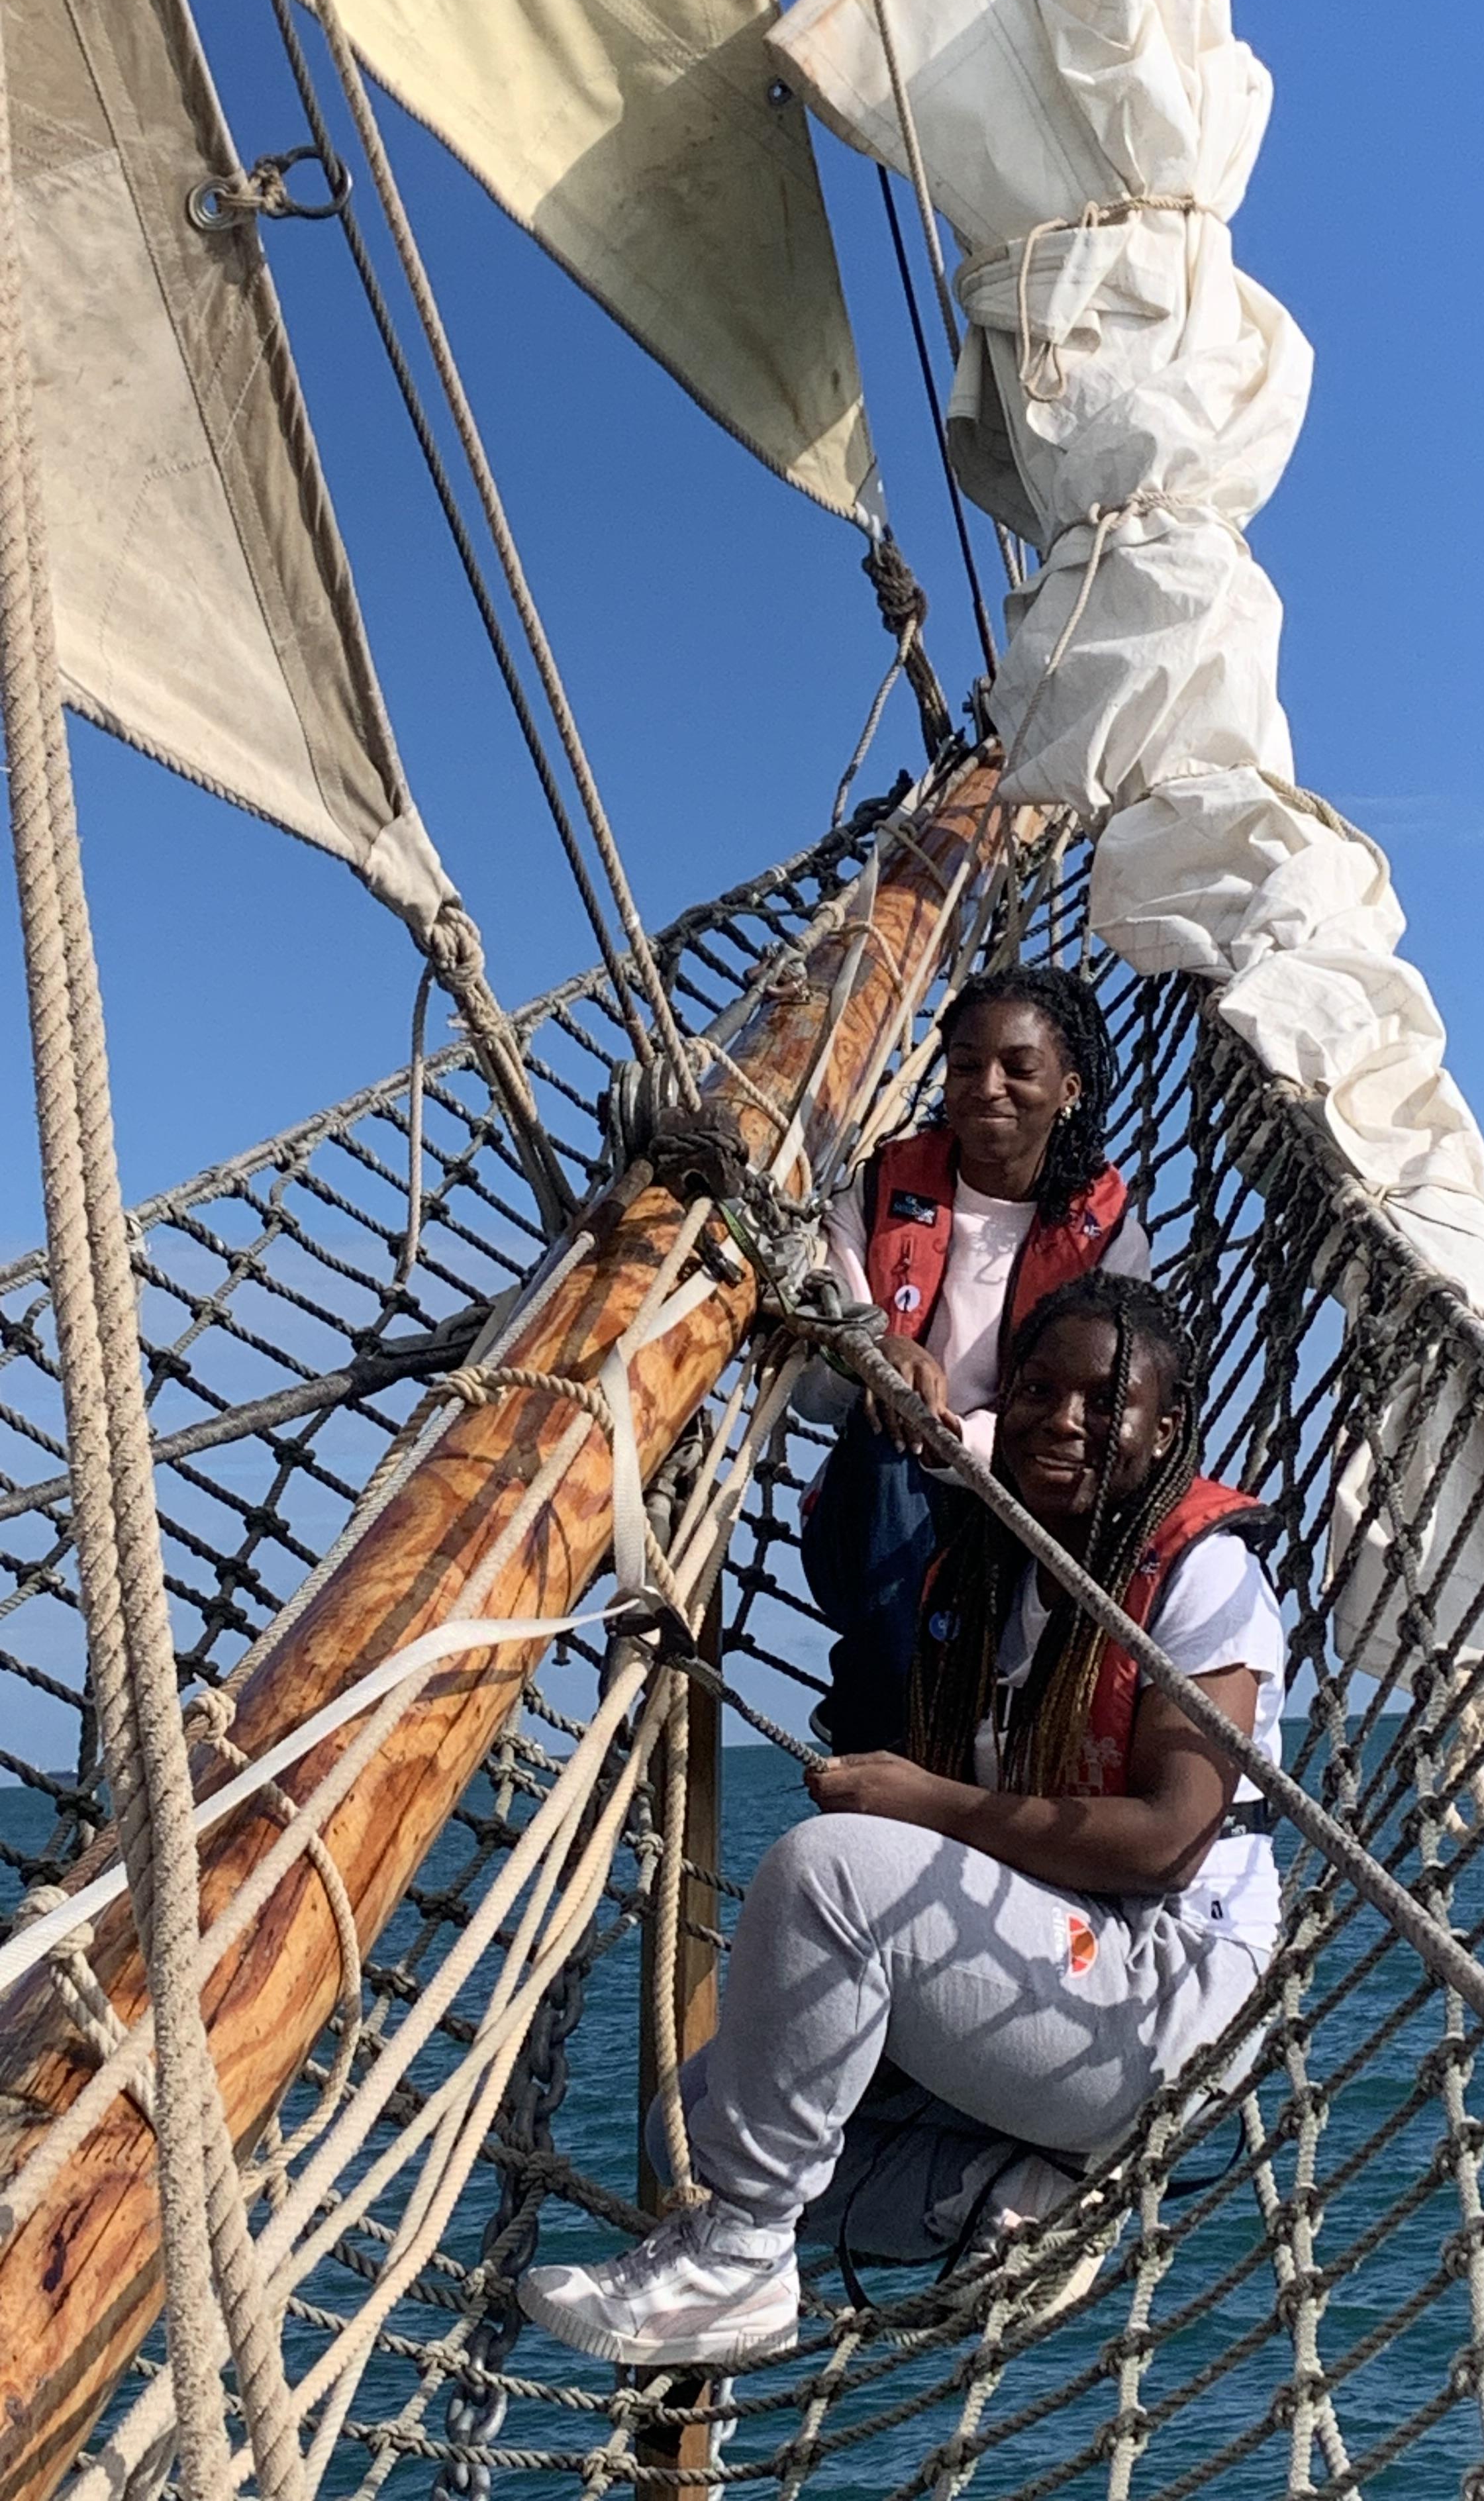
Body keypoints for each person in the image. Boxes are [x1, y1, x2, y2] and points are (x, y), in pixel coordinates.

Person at [520, 1273, 1288, 2371]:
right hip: (1043, 1979)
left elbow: (1166, 1839)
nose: (1058, 1418)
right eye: (1033, 1388)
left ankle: (739, 2259)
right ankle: (1014, 2190)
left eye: (1100, 1399)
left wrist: (923, 1804)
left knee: (830, 1871)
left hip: (1164, 1999)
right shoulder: (997, 1567)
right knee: (685, 2125)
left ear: (1164, 1430)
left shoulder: (1203, 1571)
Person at [797, 962, 1148, 1755]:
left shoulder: (1112, 1236)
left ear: (1071, 1089)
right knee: (890, 1446)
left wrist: (964, 1439)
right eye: (964, 1065)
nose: (987, 1086)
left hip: (1022, 1522)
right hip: (871, 1520)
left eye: (1019, 1068)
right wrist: (871, 1355)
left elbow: (1109, 1409)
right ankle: (887, 1721)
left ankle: (926, 1722)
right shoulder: (878, 1190)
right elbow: (814, 1397)